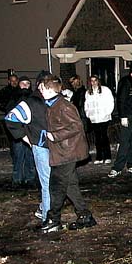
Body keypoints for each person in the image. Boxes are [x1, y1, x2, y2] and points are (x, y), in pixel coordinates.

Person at [39, 75, 96, 233]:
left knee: (56, 187)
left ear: (50, 89)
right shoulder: (52, 105)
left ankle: (53, 219)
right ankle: (85, 216)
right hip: (63, 152)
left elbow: (77, 126)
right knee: (70, 186)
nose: (39, 91)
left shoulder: (63, 105)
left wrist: (54, 135)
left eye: (42, 88)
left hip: (67, 153)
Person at [4, 71, 51, 224]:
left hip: (55, 146)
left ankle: (44, 208)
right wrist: (26, 138)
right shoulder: (32, 101)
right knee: (47, 182)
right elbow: (11, 118)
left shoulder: (54, 99)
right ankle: (47, 217)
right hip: (41, 145)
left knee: (55, 181)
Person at [109, 62, 132, 177]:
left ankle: (131, 164)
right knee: (125, 142)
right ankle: (117, 167)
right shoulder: (125, 82)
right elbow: (121, 100)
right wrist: (123, 116)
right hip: (129, 116)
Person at [9, 76, 37, 187]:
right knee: (18, 156)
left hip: (30, 132)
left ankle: (30, 178)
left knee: (30, 156)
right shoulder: (14, 97)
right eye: (22, 83)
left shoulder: (33, 97)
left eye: (27, 83)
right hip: (17, 132)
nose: (25, 85)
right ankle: (17, 179)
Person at [84, 75, 114, 164]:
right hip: (94, 119)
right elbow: (87, 105)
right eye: (92, 81)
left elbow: (111, 102)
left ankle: (107, 156)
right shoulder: (88, 92)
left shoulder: (105, 90)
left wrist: (107, 113)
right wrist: (89, 115)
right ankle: (99, 156)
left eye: (95, 80)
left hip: (104, 118)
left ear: (98, 81)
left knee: (104, 136)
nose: (93, 82)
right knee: (97, 138)